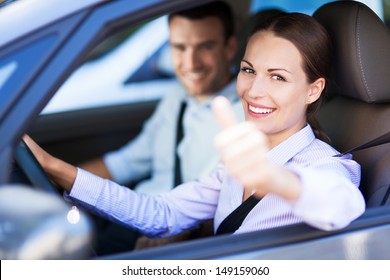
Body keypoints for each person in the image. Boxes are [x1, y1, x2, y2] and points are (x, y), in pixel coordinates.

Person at [24, 12, 365, 243]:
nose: (253, 90)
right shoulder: (236, 162)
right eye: (248, 70)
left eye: (278, 77)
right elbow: (161, 213)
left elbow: (342, 205)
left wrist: (272, 178)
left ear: (313, 89)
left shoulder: (327, 166)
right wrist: (55, 168)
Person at [78, 1, 243, 253]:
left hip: (170, 240)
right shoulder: (176, 96)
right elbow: (126, 162)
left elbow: (226, 206)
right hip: (131, 216)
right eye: (179, 47)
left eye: (205, 46)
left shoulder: (242, 115)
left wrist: (179, 235)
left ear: (230, 48)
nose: (190, 62)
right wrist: (60, 181)